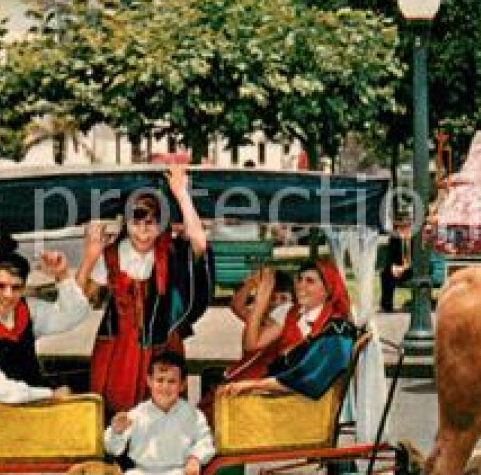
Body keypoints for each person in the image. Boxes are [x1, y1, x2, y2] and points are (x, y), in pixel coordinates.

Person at [78, 164, 213, 414]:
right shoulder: (111, 256)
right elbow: (80, 299)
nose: (143, 231)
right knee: (117, 413)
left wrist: (182, 194)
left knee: (163, 412)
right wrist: (89, 257)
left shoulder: (170, 252)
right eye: (136, 222)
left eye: (151, 223)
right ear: (126, 222)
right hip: (117, 349)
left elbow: (199, 243)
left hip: (162, 344)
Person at [0, 233, 89, 404]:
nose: (8, 295)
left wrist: (62, 276)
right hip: (5, 413)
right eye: (0, 286)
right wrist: (48, 394)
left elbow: (73, 314)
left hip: (35, 405)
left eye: (16, 288)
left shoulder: (25, 311)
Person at [217, 259, 357, 402]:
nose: (301, 286)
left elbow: (307, 378)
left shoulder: (336, 330)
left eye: (310, 281)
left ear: (327, 289)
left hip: (295, 402)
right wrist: (260, 298)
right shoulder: (293, 313)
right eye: (300, 279)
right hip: (274, 390)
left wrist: (252, 385)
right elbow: (251, 345)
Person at [379, 213, 413, 313]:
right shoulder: (395, 239)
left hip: (412, 268)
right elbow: (390, 256)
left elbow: (417, 258)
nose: (401, 230)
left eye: (405, 227)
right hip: (399, 268)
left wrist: (405, 267)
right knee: (386, 273)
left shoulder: (415, 239)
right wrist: (393, 267)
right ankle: (386, 306)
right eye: (399, 227)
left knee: (413, 272)